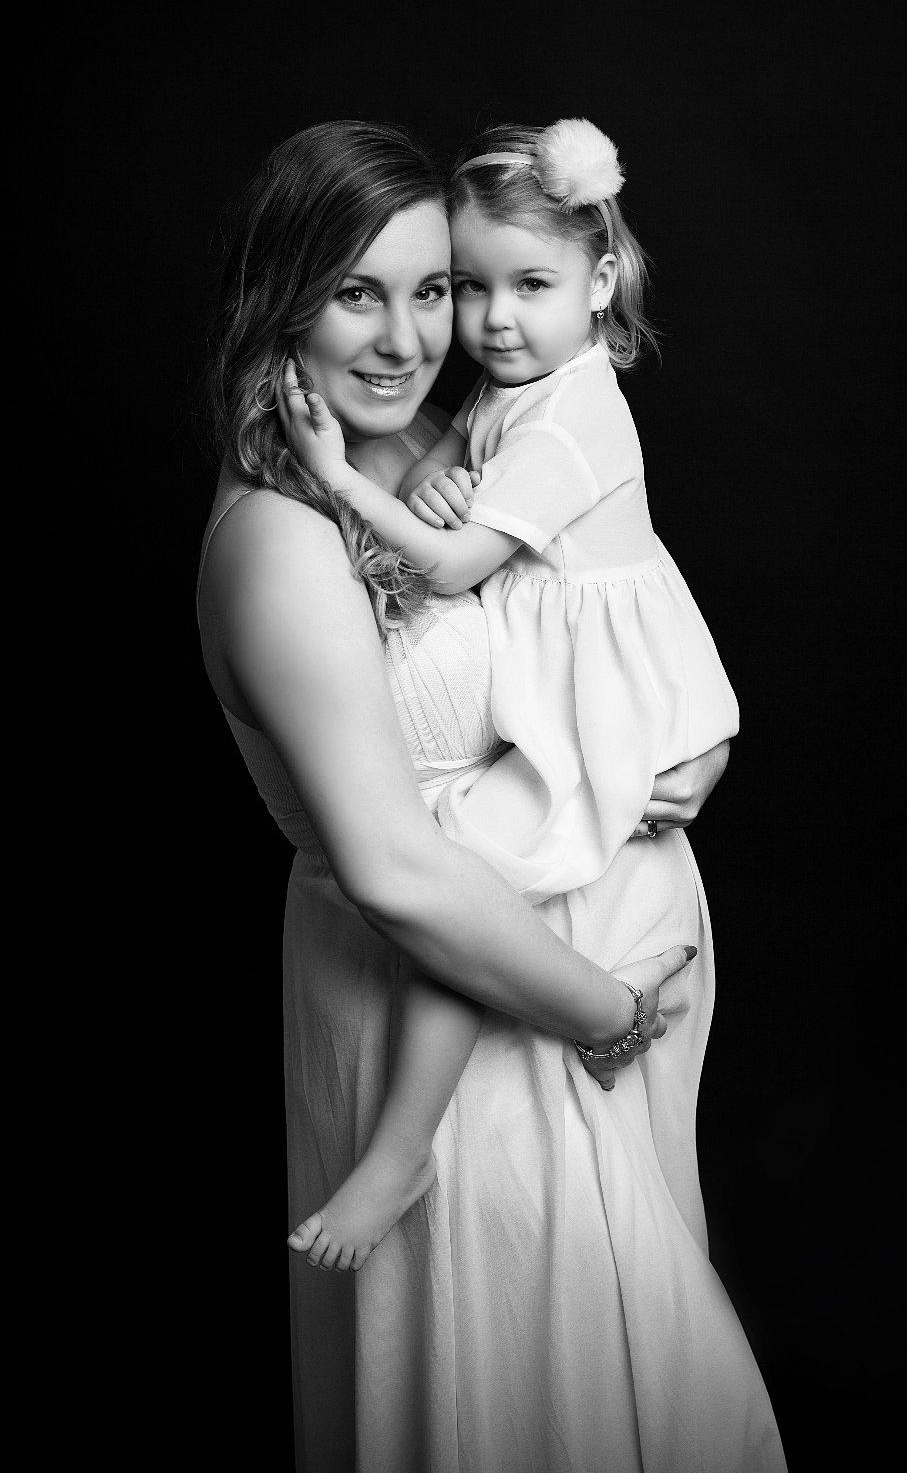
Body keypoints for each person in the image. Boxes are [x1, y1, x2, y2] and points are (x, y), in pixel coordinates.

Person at [197, 120, 786, 1471]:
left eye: (433, 289)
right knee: (514, 1395)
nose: (412, 337)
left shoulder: (449, 440)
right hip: (492, 1006)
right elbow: (399, 870)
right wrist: (606, 1013)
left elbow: (599, 609)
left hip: (560, 974)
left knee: (613, 1383)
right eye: (357, 293)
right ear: (278, 300)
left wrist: (682, 740)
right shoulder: (278, 541)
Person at [281, 118, 744, 1278]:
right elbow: (443, 499)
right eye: (471, 285)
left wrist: (340, 479)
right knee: (462, 876)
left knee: (467, 876)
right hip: (568, 703)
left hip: (596, 711)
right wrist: (431, 493)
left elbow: (446, 569)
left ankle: (398, 1152)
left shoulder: (575, 411)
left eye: (529, 285)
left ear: (600, 282)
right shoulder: (511, 387)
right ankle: (410, 1143)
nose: (492, 320)